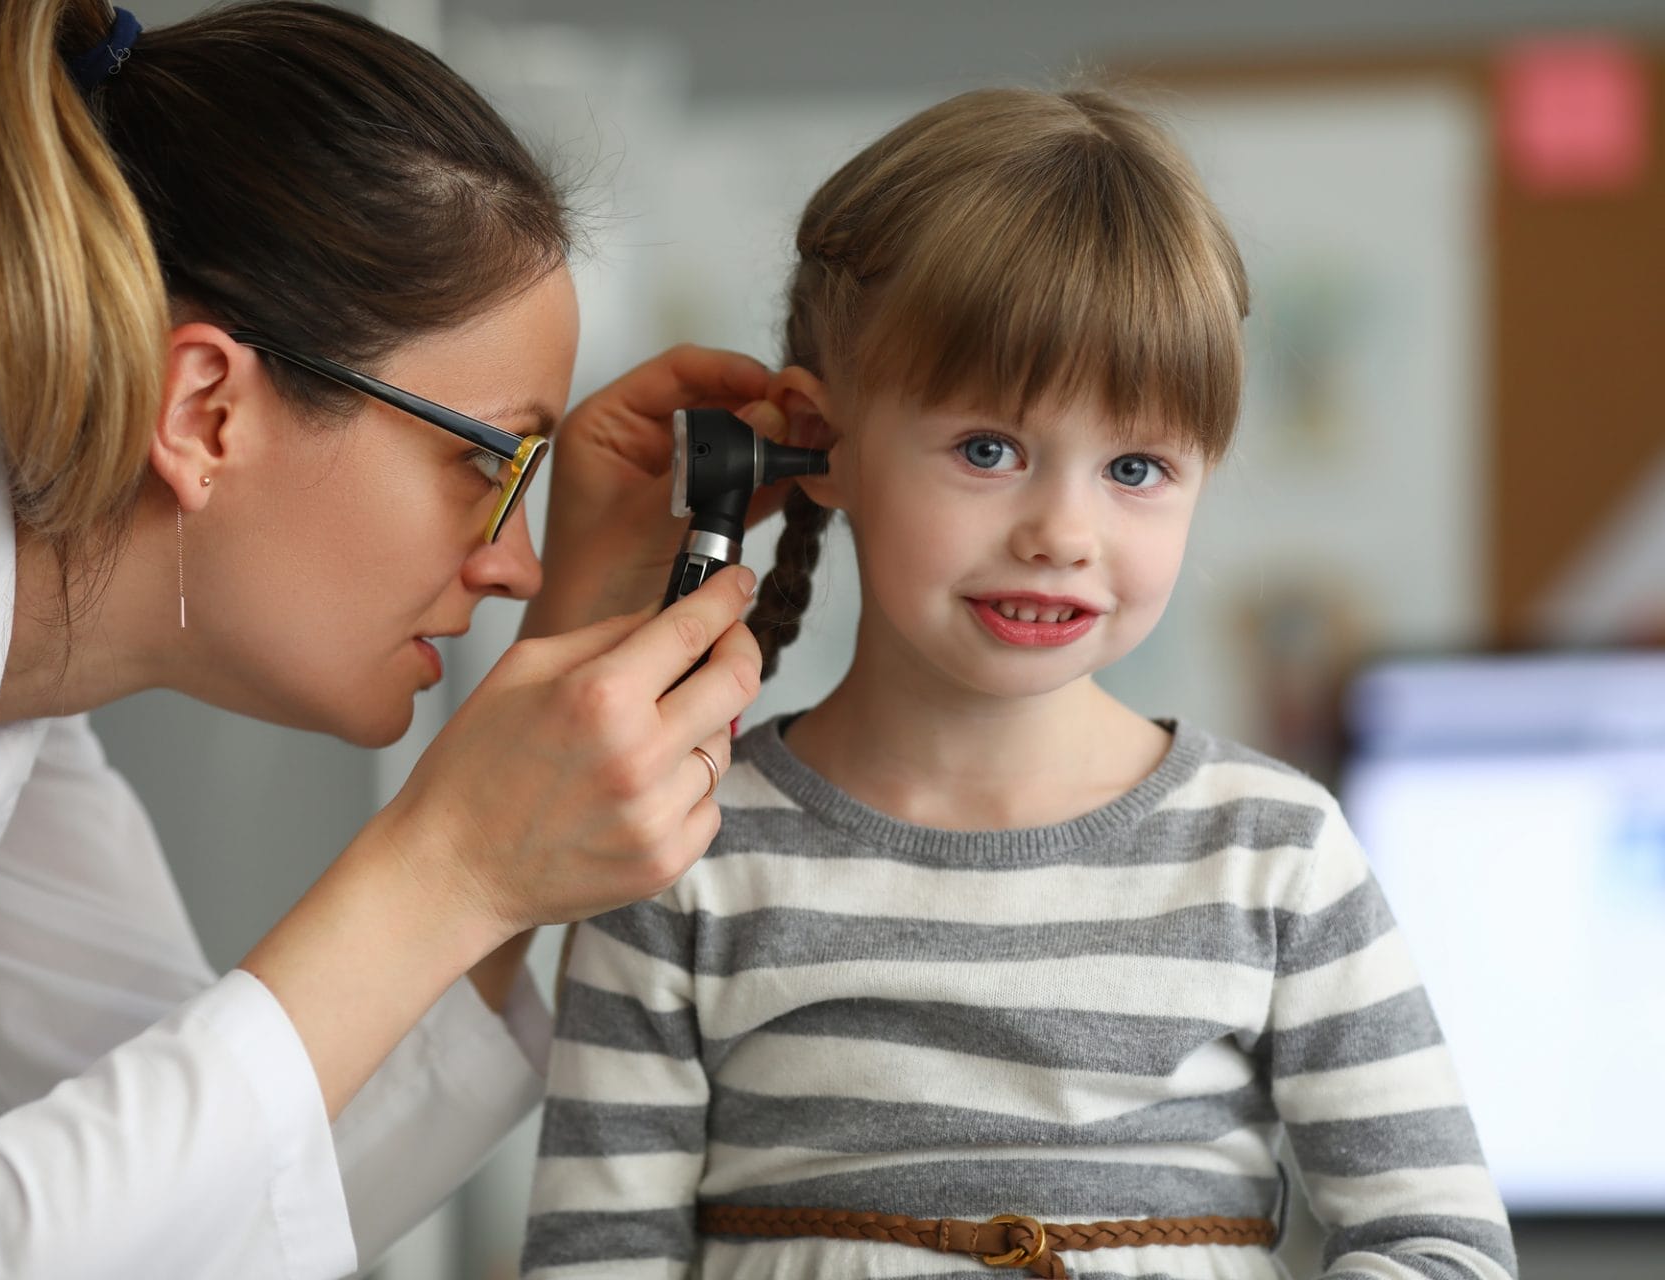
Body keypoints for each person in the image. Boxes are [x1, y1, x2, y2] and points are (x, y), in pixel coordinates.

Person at [0, 1, 784, 1275]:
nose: (511, 567)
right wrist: (449, 859)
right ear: (207, 410)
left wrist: (573, 639)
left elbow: (208, 1198)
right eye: (486, 460)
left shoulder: (5, 672)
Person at [522, 87, 1518, 1279]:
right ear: (815, 440)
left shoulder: (1274, 851)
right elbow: (596, 1256)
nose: (1063, 529)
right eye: (988, 449)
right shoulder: (681, 845)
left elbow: (1439, 1243)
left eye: (1137, 465)